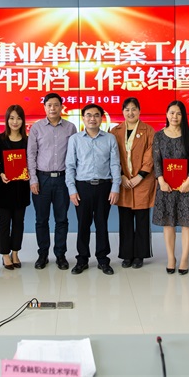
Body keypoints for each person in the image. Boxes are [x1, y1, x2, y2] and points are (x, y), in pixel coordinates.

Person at [66, 103, 121, 275]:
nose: (92, 118)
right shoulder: (75, 139)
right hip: (82, 187)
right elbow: (70, 166)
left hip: (104, 187)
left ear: (101, 118)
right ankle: (82, 259)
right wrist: (72, 190)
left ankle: (103, 260)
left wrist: (115, 187)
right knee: (83, 224)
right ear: (83, 118)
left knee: (101, 224)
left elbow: (115, 164)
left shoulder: (110, 138)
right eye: (88, 115)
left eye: (96, 115)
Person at [152, 101, 189, 275]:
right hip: (165, 186)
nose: (175, 116)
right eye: (172, 113)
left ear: (183, 116)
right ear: (167, 114)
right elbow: (156, 161)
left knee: (187, 224)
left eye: (179, 113)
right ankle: (171, 258)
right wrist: (161, 181)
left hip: (185, 187)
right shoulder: (158, 136)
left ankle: (184, 259)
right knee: (168, 223)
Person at [27, 93, 77, 270]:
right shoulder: (37, 128)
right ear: (45, 107)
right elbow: (31, 155)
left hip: (63, 179)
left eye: (56, 105)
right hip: (42, 179)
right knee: (41, 220)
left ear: (62, 107)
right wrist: (33, 180)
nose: (53, 108)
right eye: (49, 105)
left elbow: (74, 155)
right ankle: (42, 254)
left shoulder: (70, 128)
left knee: (61, 219)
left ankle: (60, 255)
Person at [109, 97, 156, 269]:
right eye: (127, 109)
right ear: (123, 112)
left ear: (139, 111)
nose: (130, 113)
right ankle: (127, 255)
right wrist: (121, 176)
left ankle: (140, 255)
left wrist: (140, 176)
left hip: (143, 181)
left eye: (134, 109)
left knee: (142, 220)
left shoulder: (148, 130)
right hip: (123, 181)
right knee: (125, 220)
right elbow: (112, 156)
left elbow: (150, 155)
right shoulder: (115, 131)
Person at [0, 105, 30, 270]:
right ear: (7, 120)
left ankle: (15, 252)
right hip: (4, 187)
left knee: (19, 222)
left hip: (21, 187)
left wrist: (29, 173)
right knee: (4, 222)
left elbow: (31, 161)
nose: (15, 122)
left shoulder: (27, 141)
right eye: (12, 118)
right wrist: (1, 173)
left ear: (23, 121)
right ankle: (5, 254)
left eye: (19, 118)